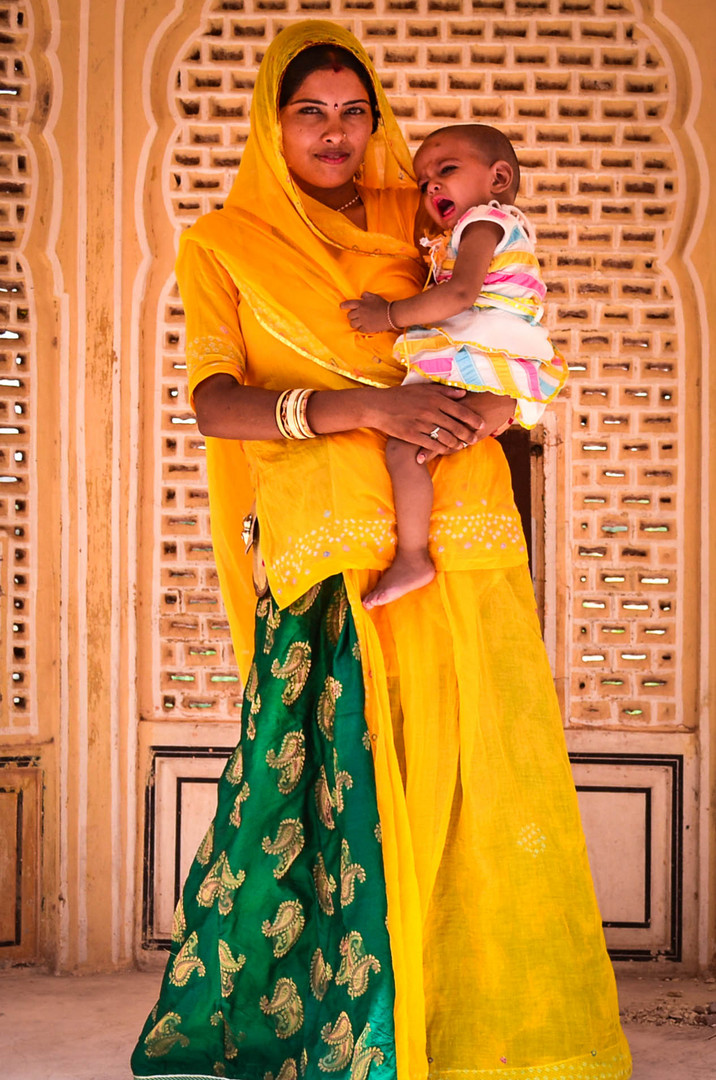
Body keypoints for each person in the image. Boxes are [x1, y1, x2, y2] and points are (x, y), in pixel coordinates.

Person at [131, 20, 632, 1080]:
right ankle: (354, 1039)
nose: (334, 131)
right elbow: (218, 405)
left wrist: (494, 413)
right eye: (309, 110)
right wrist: (369, 404)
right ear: (273, 121)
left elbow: (507, 317)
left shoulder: (431, 213)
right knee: (337, 797)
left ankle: (480, 1033)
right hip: (330, 544)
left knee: (473, 781)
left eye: (354, 111)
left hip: (461, 521)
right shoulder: (223, 242)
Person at [341, 124, 567, 609]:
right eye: (423, 183)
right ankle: (415, 556)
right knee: (410, 452)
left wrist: (389, 315)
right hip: (490, 372)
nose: (432, 187)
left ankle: (413, 555)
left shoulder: (481, 224)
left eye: (446, 170)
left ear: (498, 177)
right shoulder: (484, 229)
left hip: (485, 368)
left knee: (405, 453)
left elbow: (461, 294)